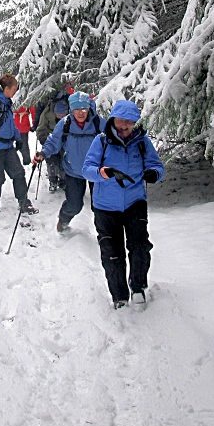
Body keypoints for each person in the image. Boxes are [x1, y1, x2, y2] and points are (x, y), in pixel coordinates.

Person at [82, 99, 165, 309]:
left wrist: (154, 174)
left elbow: (157, 166)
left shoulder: (143, 142)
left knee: (140, 247)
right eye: (120, 121)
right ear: (113, 120)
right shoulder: (101, 142)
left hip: (135, 202)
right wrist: (101, 173)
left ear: (135, 123)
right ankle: (119, 295)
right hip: (105, 207)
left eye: (129, 122)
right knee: (111, 252)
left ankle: (137, 286)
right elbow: (87, 169)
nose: (124, 126)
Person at [32, 91, 105, 233]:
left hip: (97, 172)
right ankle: (64, 219)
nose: (81, 113)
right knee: (74, 205)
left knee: (100, 206)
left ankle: (103, 234)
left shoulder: (99, 123)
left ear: (88, 108)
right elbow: (53, 142)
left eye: (84, 109)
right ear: (71, 110)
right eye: (77, 109)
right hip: (73, 171)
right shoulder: (65, 124)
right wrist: (43, 153)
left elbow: (112, 141)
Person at [0, 73, 38, 215]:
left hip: (8, 147)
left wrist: (18, 138)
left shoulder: (6, 102)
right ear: (6, 88)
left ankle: (24, 202)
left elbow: (10, 124)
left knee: (19, 173)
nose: (16, 91)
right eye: (14, 88)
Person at [35, 83, 73, 191]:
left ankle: (63, 180)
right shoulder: (47, 114)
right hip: (50, 139)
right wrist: (43, 139)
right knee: (51, 161)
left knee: (63, 161)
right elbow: (41, 128)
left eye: (63, 114)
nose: (61, 116)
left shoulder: (69, 117)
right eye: (59, 114)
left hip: (65, 141)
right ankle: (52, 180)